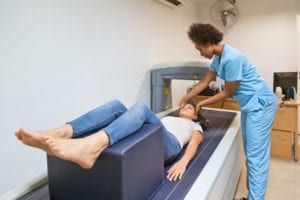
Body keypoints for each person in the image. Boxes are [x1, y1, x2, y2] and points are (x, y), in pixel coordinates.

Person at [180, 23, 277, 200]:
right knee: (251, 152)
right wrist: (186, 99)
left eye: (200, 49)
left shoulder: (231, 58)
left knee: (256, 157)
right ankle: (252, 196)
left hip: (261, 105)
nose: (200, 53)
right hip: (250, 106)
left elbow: (228, 92)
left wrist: (202, 104)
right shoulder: (219, 57)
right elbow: (204, 82)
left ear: (208, 42)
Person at [15, 100, 208, 182]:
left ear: (195, 116)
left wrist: (183, 162)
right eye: (184, 106)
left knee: (141, 107)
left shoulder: (194, 126)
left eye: (190, 108)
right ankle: (61, 133)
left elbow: (193, 144)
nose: (185, 108)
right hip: (151, 135)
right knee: (116, 105)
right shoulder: (168, 117)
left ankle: (91, 147)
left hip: (168, 145)